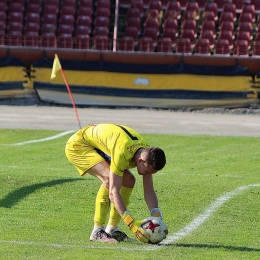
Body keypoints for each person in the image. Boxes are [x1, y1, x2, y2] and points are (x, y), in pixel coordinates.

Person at [65, 123, 166, 243]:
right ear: (140, 161)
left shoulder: (147, 154)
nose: (147, 175)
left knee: (129, 180)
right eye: (147, 171)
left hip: (98, 145)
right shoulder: (122, 153)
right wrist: (131, 223)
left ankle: (111, 230)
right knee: (109, 180)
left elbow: (149, 190)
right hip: (79, 146)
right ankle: (97, 231)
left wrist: (156, 215)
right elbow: (113, 193)